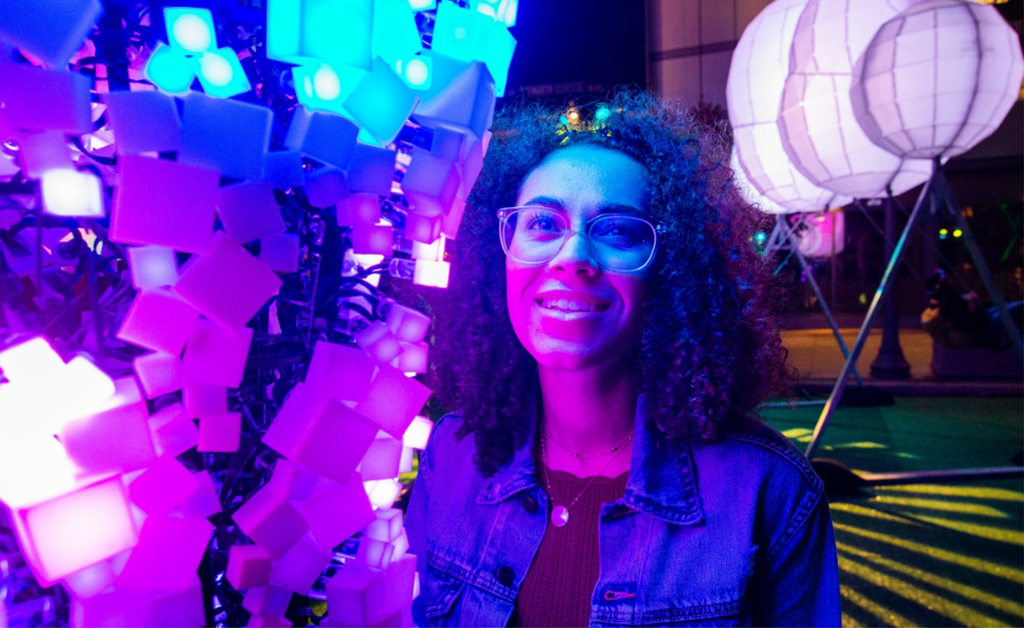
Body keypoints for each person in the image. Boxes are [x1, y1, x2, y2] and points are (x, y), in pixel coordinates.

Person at [404, 92, 840, 627]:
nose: (573, 257)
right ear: (502, 255)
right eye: (542, 223)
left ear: (672, 272)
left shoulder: (769, 490)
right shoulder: (450, 454)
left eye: (617, 230)